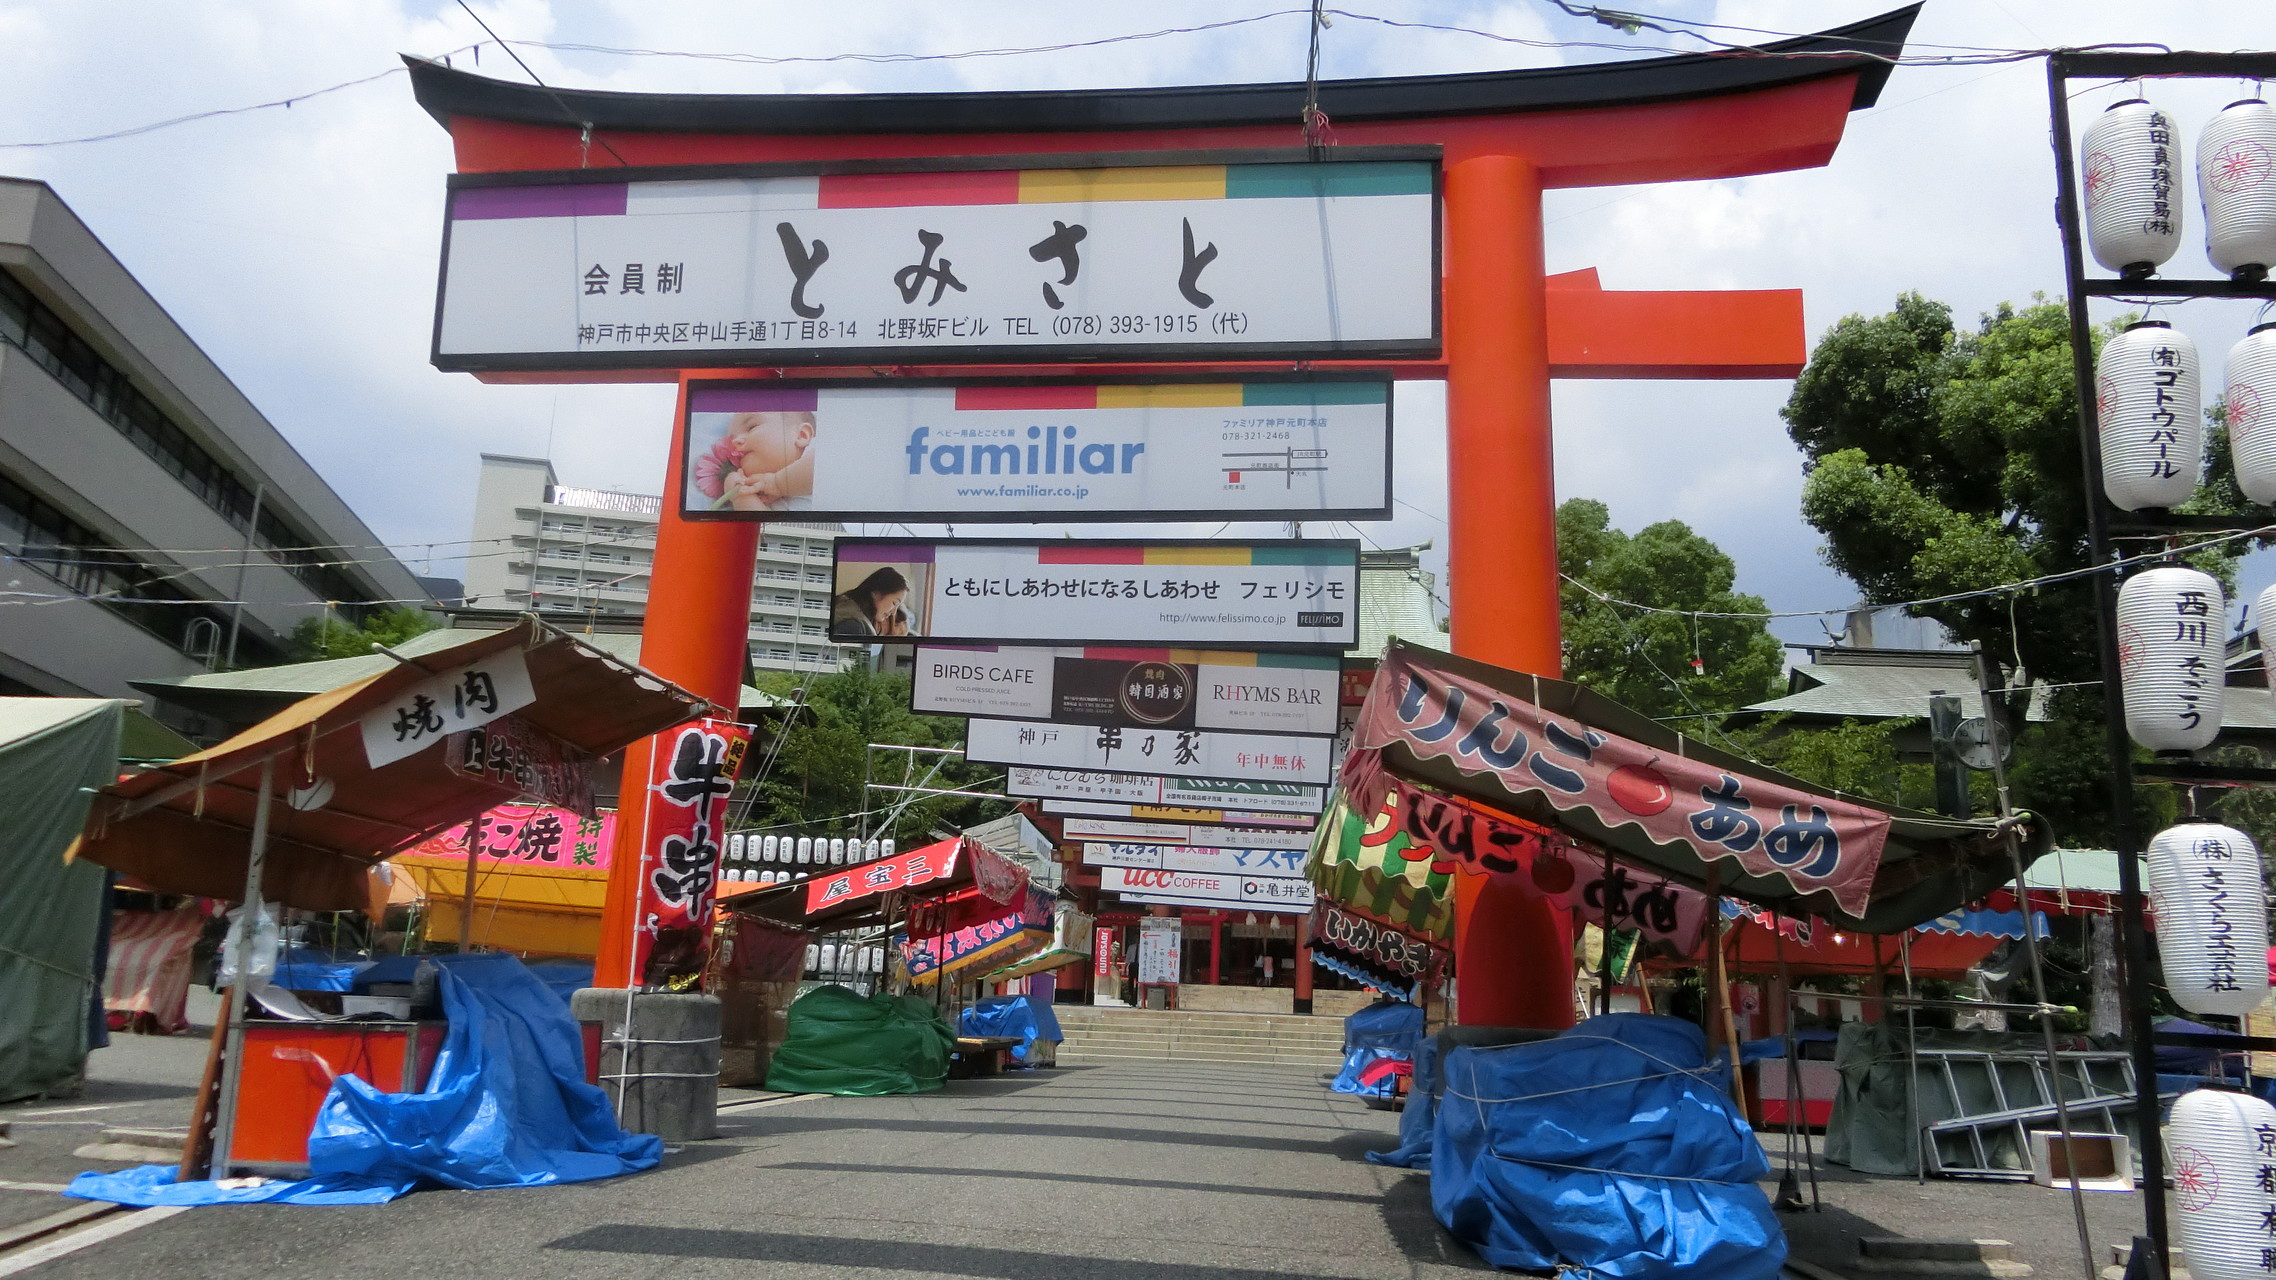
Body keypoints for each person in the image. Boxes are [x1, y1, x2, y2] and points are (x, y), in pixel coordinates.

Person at [719, 411, 816, 511]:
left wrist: (776, 483)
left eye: (751, 427)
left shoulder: (815, 450)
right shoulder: (766, 501)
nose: (735, 441)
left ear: (802, 435)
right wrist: (741, 496)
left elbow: (819, 468)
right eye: (731, 439)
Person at [833, 566, 912, 636]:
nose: (893, 612)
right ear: (876, 593)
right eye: (894, 603)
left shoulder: (847, 603)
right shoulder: (854, 626)